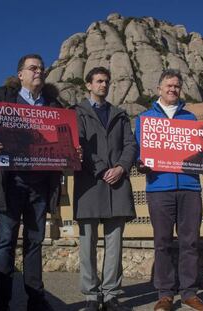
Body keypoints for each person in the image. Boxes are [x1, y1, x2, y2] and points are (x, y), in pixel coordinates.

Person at [0, 54, 62, 311]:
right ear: (20, 74)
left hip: (41, 185)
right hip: (10, 182)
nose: (39, 72)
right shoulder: (2, 100)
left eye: (42, 69)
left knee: (34, 243)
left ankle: (36, 300)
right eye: (33, 68)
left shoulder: (54, 106)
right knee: (6, 242)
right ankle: (2, 304)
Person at [135, 69, 203, 311]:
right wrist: (141, 164)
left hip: (190, 187)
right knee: (162, 242)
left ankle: (189, 293)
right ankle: (164, 295)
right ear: (159, 88)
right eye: (168, 85)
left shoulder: (191, 119)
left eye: (176, 86)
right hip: (158, 189)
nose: (172, 89)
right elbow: (140, 153)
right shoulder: (145, 120)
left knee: (190, 242)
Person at [73, 67, 137, 311]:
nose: (103, 85)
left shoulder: (119, 114)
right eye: (99, 81)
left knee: (115, 244)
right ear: (88, 85)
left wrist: (121, 167)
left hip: (117, 185)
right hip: (89, 185)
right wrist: (101, 169)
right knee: (87, 244)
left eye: (106, 81)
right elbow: (79, 145)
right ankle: (91, 295)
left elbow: (131, 145)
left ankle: (110, 294)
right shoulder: (77, 112)